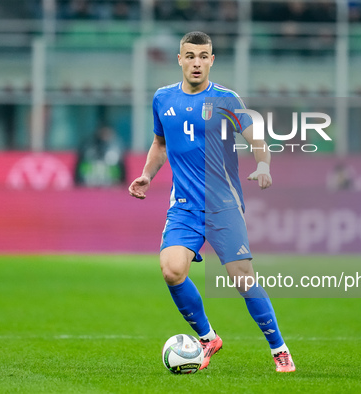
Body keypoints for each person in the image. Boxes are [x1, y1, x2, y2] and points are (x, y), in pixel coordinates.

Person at [128, 31, 295, 373]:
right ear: (180, 59)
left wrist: (263, 165)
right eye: (190, 56)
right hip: (185, 205)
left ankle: (279, 348)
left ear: (212, 60)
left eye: (203, 56)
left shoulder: (226, 100)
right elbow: (160, 144)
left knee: (243, 280)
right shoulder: (163, 99)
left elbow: (257, 138)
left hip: (223, 205)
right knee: (172, 270)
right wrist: (147, 174)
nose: (196, 62)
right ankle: (207, 338)